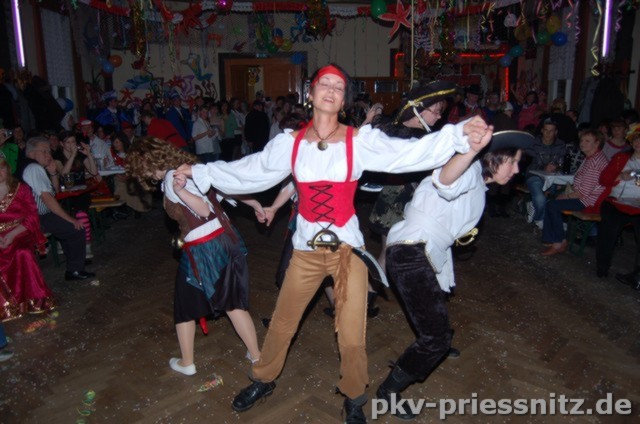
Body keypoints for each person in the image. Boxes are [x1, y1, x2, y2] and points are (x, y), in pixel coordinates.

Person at [175, 64, 491, 422]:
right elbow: (250, 170)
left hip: (347, 252)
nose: (330, 90)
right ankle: (263, 378)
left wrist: (459, 135)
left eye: (338, 87)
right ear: (310, 95)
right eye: (323, 84)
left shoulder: (361, 141)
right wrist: (199, 171)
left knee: (352, 334)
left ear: (343, 100)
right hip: (306, 251)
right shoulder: (290, 144)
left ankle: (354, 396)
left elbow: (410, 154)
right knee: (282, 323)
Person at [378, 130, 531, 420]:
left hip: (421, 250)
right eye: (512, 161)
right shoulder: (469, 170)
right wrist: (471, 150)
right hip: (411, 252)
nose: (516, 170)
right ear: (493, 158)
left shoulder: (478, 183)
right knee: (435, 338)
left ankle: (437, 343)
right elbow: (445, 179)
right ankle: (389, 391)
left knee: (436, 311)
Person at [126, 136, 262, 376]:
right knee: (225, 302)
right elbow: (223, 189)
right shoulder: (188, 169)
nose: (143, 175)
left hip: (205, 249)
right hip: (224, 239)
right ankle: (255, 355)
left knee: (192, 305)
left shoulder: (173, 179)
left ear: (147, 163)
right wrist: (255, 204)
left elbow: (203, 209)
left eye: (141, 169)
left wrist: (179, 191)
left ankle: (189, 362)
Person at [21, 137, 95, 281]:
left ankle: (74, 263)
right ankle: (75, 270)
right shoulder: (34, 168)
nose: (48, 155)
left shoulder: (31, 166)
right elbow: (47, 198)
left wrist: (53, 173)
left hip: (38, 215)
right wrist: (70, 219)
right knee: (76, 228)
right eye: (44, 151)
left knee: (68, 226)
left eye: (49, 151)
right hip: (36, 218)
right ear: (31, 153)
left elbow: (54, 192)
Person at [1, 151, 55, 320]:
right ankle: (7, 305)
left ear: (7, 169)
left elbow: (32, 215)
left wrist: (12, 235)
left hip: (20, 232)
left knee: (22, 253)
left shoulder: (21, 188)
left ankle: (32, 300)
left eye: (1, 168)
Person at [540, 129, 609, 256]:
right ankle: (551, 238)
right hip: (585, 196)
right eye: (582, 140)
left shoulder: (595, 162)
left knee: (552, 205)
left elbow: (584, 192)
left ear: (597, 143)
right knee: (551, 199)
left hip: (589, 201)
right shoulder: (591, 157)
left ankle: (559, 242)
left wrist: (566, 196)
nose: (582, 143)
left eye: (587, 141)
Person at [596, 123, 640, 284]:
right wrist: (621, 176)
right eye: (636, 139)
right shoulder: (621, 158)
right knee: (608, 231)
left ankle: (637, 276)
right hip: (616, 203)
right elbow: (603, 180)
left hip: (638, 207)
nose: (638, 143)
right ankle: (602, 267)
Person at [54, 131, 98, 259]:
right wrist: (72, 156)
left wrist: (89, 155)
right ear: (62, 144)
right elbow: (64, 174)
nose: (71, 145)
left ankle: (87, 244)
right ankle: (62, 240)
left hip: (81, 192)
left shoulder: (80, 155)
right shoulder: (57, 157)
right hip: (65, 193)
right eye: (68, 142)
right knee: (62, 213)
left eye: (73, 142)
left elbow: (94, 171)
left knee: (81, 214)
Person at [524, 118, 567, 228]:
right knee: (540, 198)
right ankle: (539, 219)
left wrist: (557, 169)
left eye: (551, 131)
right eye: (546, 130)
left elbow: (562, 162)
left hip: (553, 177)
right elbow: (527, 162)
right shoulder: (533, 143)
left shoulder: (560, 145)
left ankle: (536, 207)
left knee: (563, 193)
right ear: (542, 130)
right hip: (534, 176)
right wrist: (544, 167)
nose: (548, 133)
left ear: (556, 132)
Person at [109, 132, 150, 218]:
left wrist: (128, 177)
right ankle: (124, 208)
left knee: (134, 185)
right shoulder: (112, 154)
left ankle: (137, 208)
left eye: (117, 142)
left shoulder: (131, 153)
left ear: (122, 142)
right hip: (117, 175)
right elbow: (110, 167)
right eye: (114, 142)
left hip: (131, 175)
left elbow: (136, 167)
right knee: (120, 185)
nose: (115, 145)